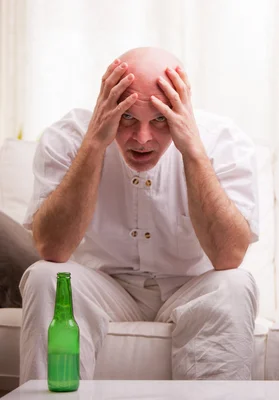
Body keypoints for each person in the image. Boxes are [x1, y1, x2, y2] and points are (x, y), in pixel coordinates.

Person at [19, 47, 259, 382]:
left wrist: (191, 148)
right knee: (46, 276)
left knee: (236, 282)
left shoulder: (224, 140)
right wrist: (94, 143)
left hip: (191, 289)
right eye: (127, 117)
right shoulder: (70, 136)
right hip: (106, 287)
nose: (142, 139)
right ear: (107, 103)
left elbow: (229, 256)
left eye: (160, 119)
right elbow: (52, 248)